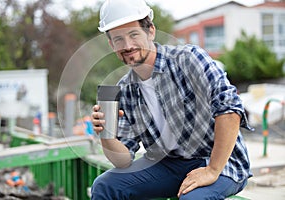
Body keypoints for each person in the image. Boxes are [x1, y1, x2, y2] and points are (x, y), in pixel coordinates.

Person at [91, 0, 253, 199]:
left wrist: (212, 169)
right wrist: (106, 135)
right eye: (118, 39)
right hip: (168, 165)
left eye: (133, 34)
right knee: (105, 186)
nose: (128, 45)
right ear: (111, 44)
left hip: (218, 162)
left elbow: (230, 109)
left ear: (150, 31)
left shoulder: (189, 59)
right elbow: (123, 161)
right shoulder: (125, 90)